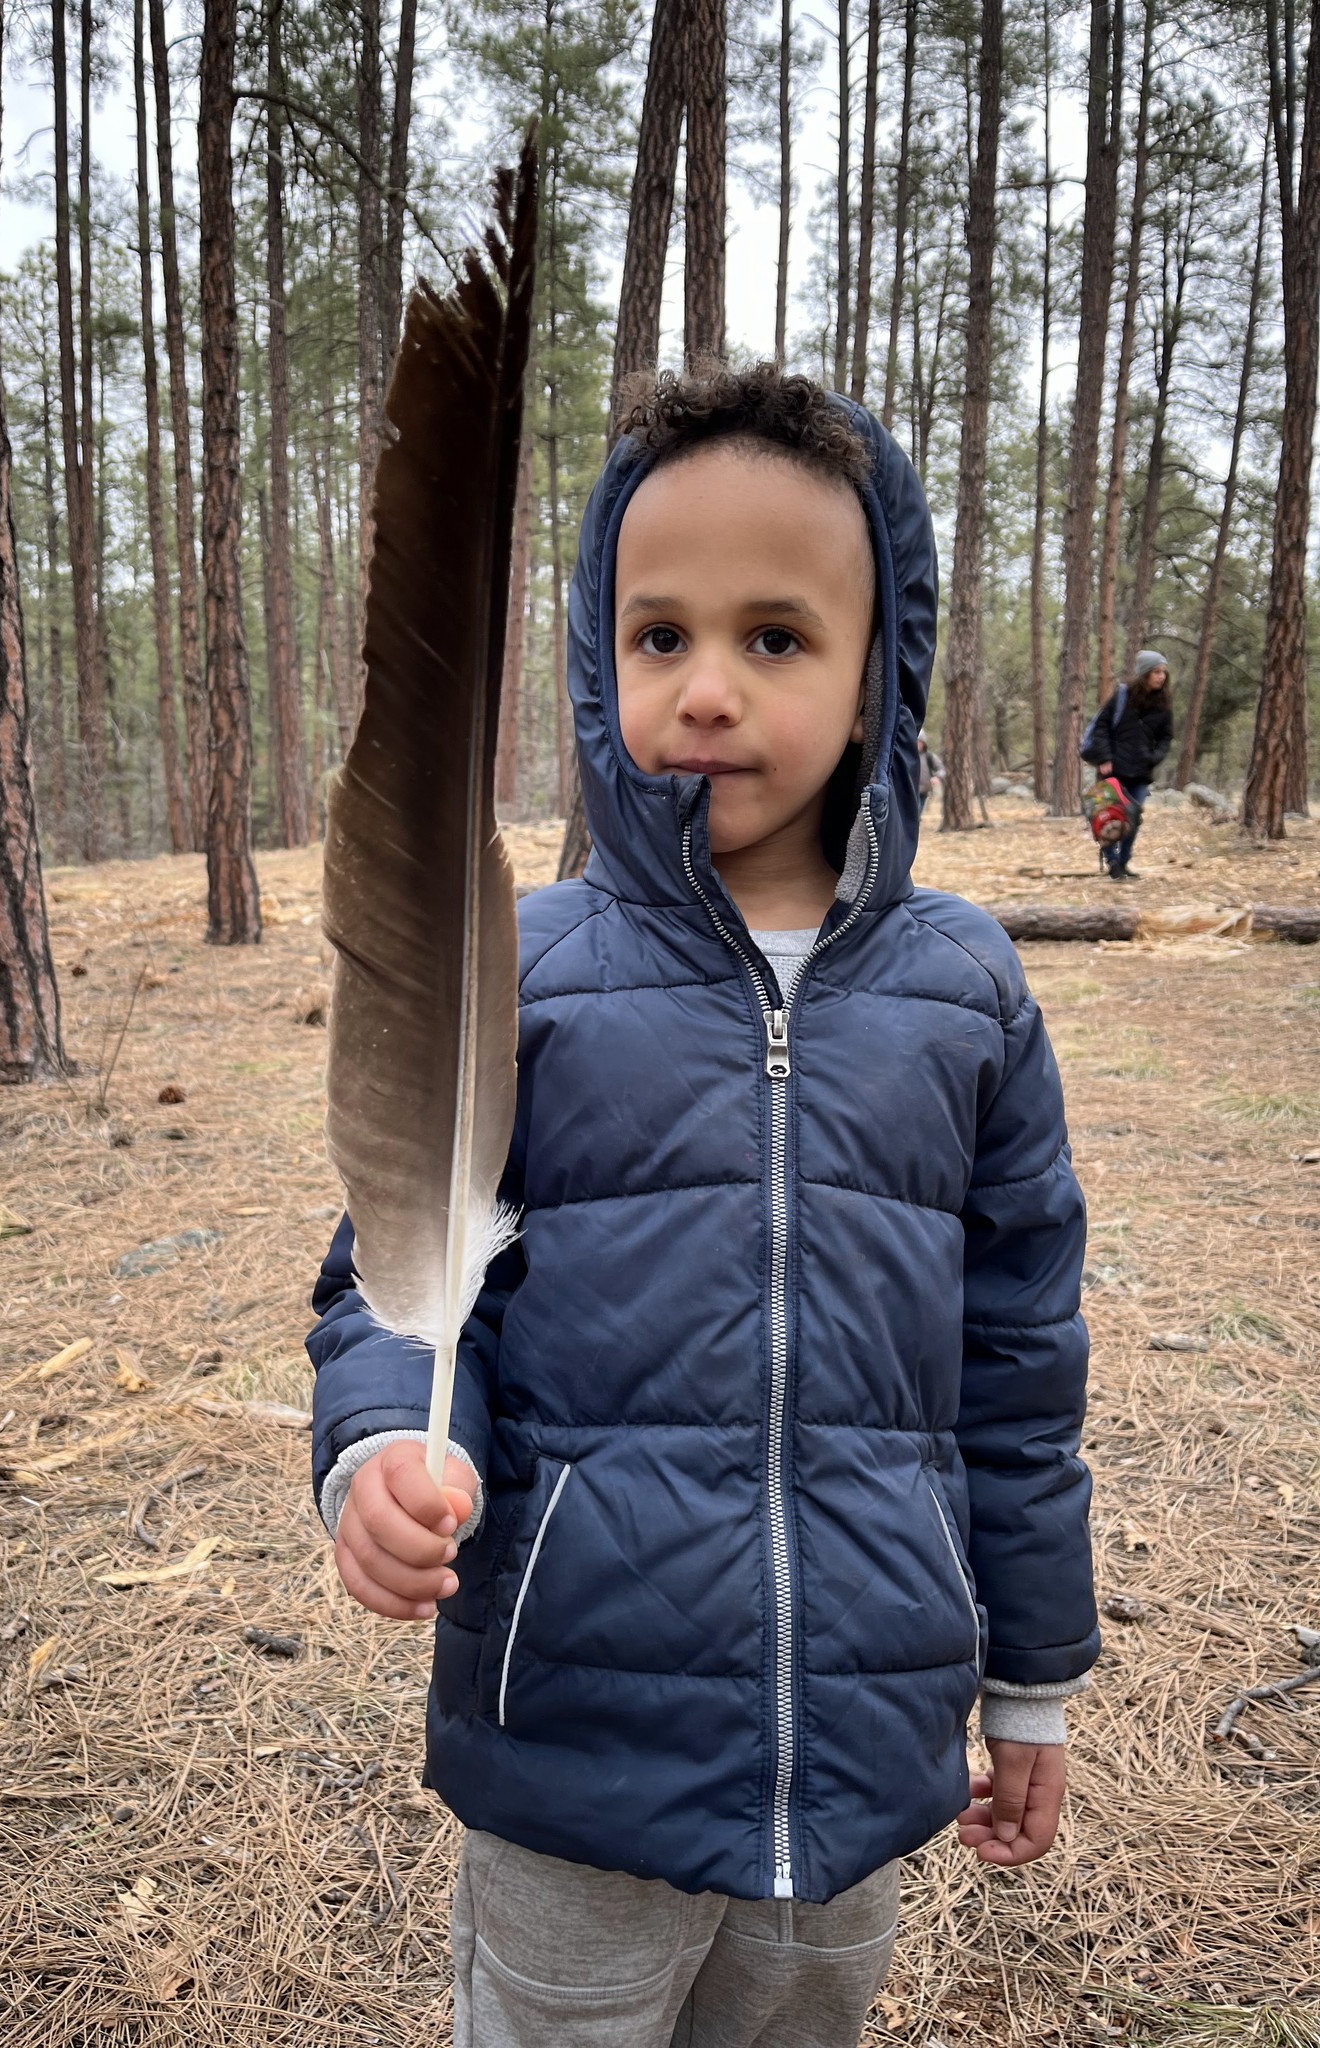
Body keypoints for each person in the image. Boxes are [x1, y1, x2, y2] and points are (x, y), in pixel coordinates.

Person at [308, 364, 1097, 2048]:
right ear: (602, 663)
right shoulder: (533, 975)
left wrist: (1026, 1677)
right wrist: (380, 1445)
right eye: (659, 635)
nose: (709, 689)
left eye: (776, 637)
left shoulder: (964, 990)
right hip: (572, 1752)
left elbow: (1022, 1375)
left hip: (863, 1763)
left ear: (879, 669)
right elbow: (397, 1283)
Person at [1080, 651, 1174, 880]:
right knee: (1107, 815)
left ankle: (1124, 862)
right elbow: (1101, 727)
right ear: (1144, 674)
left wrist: (1154, 757)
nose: (1161, 677)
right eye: (1156, 672)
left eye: (1163, 672)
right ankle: (1112, 861)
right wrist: (1104, 759)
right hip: (1112, 770)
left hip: (1141, 773)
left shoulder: (1163, 704)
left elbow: (1166, 737)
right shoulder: (1122, 696)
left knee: (1133, 818)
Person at [916, 729, 944, 815]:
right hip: (908, 792)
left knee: (917, 814)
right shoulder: (906, 757)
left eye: (920, 742)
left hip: (923, 792)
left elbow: (941, 769)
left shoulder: (929, 757)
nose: (918, 744)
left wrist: (937, 777)